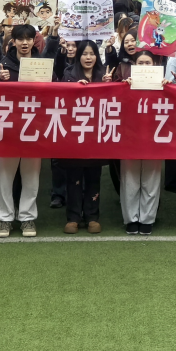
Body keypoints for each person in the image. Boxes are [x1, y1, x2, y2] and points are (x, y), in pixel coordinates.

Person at [0, 25, 42, 238]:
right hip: (8, 129)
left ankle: (27, 217)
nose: (25, 43)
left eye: (28, 39)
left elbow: (57, 90)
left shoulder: (42, 64)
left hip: (34, 128)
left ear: (33, 41)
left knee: (31, 176)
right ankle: (4, 219)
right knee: (5, 176)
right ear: (14, 42)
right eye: (20, 39)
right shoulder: (3, 64)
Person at [63, 40, 107, 234]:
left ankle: (92, 216)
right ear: (78, 56)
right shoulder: (69, 74)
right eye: (84, 54)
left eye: (92, 53)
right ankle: (73, 217)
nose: (88, 58)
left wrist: (108, 85)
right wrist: (74, 88)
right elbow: (61, 99)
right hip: (74, 134)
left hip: (95, 135)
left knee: (93, 177)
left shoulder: (104, 74)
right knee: (73, 177)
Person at [118, 49, 163, 235]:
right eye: (140, 63)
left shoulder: (163, 84)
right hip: (130, 138)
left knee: (151, 180)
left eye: (148, 63)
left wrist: (169, 86)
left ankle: (147, 219)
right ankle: (131, 219)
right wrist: (123, 87)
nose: (144, 67)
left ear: (155, 65)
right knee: (129, 180)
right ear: (134, 65)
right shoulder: (125, 84)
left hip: (154, 138)